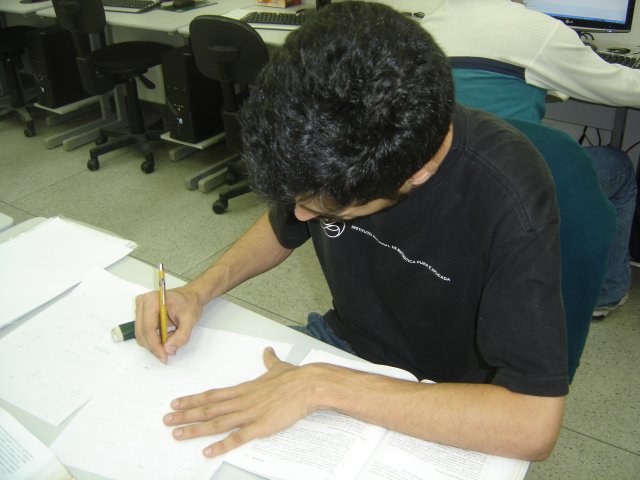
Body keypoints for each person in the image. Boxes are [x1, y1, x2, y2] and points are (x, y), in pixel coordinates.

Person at [135, 2, 567, 462]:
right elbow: (284, 227)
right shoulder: (332, 142)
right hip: (342, 346)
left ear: (416, 174)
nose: (300, 215)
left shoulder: (508, 195)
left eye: (324, 210)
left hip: (445, 395)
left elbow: (533, 424)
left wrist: (326, 386)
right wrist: (198, 291)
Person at [421, 0, 638, 319]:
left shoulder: (432, 23)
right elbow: (627, 88)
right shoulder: (542, 30)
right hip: (511, 185)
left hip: (441, 178)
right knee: (617, 166)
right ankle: (607, 293)